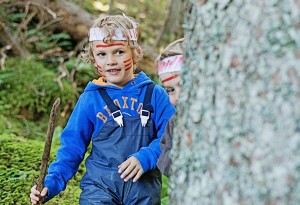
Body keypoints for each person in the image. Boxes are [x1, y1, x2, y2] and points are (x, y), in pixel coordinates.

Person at [30, 13, 175, 205]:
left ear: (136, 53)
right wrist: (50, 184)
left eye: (119, 52)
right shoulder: (90, 99)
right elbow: (71, 150)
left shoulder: (156, 95)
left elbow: (171, 138)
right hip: (99, 191)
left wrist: (146, 156)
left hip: (144, 193)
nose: (111, 61)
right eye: (102, 54)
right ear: (93, 59)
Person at [156, 38, 184, 177]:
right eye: (170, 90)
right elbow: (164, 161)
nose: (178, 96)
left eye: (183, 84)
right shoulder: (174, 123)